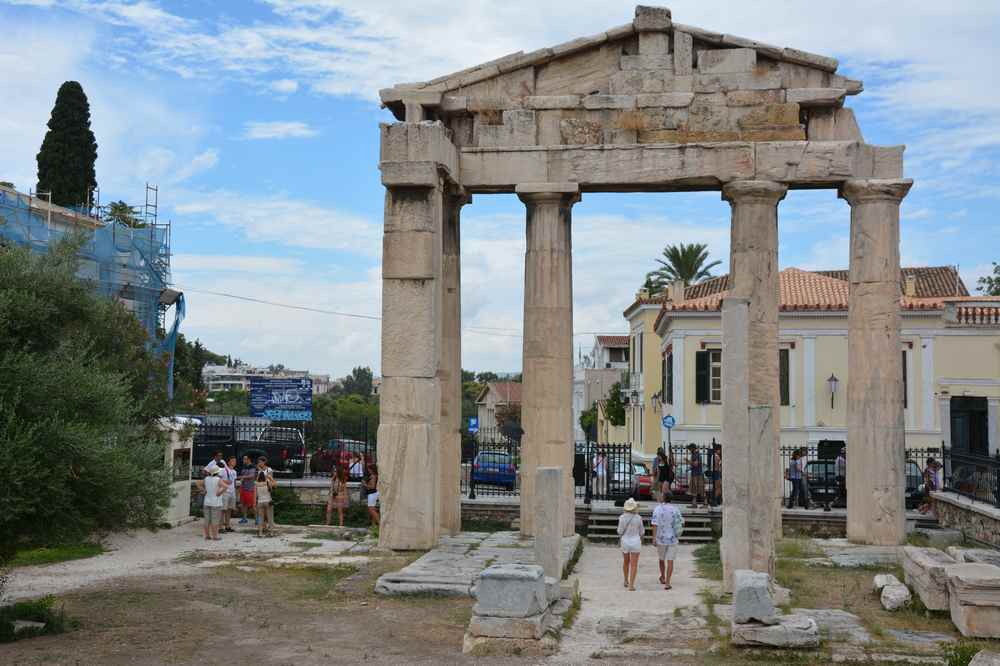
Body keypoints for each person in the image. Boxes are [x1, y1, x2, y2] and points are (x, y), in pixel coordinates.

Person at [651, 490, 684, 589]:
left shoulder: (657, 509)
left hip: (661, 538)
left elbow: (654, 524)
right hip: (673, 538)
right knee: (670, 560)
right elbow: (681, 522)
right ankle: (668, 583)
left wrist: (654, 538)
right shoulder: (675, 509)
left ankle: (663, 577)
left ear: (663, 498)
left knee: (661, 559)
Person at [617, 497, 644, 591]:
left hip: (625, 541)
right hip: (636, 541)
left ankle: (625, 580)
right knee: (634, 564)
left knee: (625, 562)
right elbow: (642, 532)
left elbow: (619, 531)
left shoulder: (622, 518)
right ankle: (631, 585)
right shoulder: (638, 518)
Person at [198, 462, 229, 541]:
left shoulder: (206, 479)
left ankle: (207, 535)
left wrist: (203, 490)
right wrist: (219, 492)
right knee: (215, 520)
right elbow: (226, 486)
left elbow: (198, 483)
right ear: (217, 472)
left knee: (207, 520)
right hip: (216, 503)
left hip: (207, 501)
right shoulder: (218, 479)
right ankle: (215, 536)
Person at [255, 456, 276, 537]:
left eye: (260, 462)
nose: (259, 463)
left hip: (260, 501)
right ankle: (271, 532)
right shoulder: (267, 483)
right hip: (268, 500)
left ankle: (260, 533)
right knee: (270, 517)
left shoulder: (256, 484)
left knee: (260, 518)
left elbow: (256, 481)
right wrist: (269, 478)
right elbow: (274, 484)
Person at [220, 456, 238, 532]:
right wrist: (225, 482)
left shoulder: (234, 471)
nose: (234, 462)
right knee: (223, 509)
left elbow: (233, 483)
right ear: (229, 462)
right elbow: (218, 479)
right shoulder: (223, 470)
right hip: (225, 492)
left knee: (229, 509)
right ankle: (220, 527)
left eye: (235, 461)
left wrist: (235, 491)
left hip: (232, 492)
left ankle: (227, 525)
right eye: (233, 460)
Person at [238, 454, 257, 524]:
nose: (243, 460)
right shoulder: (244, 466)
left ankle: (257, 519)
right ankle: (244, 518)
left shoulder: (252, 467)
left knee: (253, 505)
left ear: (248, 459)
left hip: (250, 488)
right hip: (243, 487)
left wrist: (243, 477)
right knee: (243, 504)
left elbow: (252, 476)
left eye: (245, 459)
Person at [687, 444, 705, 508]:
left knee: (701, 489)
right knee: (694, 490)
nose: (689, 450)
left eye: (690, 449)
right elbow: (693, 465)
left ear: (693, 448)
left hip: (698, 475)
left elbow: (696, 464)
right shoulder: (693, 455)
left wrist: (688, 461)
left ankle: (705, 504)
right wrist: (690, 466)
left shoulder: (697, 455)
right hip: (694, 474)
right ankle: (694, 504)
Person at [711, 442, 722, 507]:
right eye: (719, 450)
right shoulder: (716, 456)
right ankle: (714, 500)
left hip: (715, 473)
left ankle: (717, 500)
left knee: (717, 488)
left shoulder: (714, 456)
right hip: (716, 473)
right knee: (718, 488)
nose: (720, 451)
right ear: (717, 450)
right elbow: (716, 466)